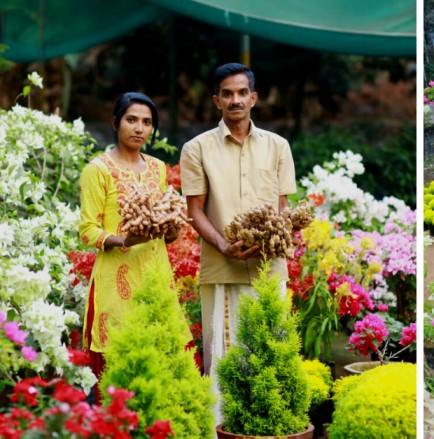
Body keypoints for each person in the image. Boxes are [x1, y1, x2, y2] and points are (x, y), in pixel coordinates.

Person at [179, 63, 296, 421]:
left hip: (268, 268)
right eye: (227, 94)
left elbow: (282, 207)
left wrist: (267, 241)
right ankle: (222, 428)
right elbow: (195, 211)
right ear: (216, 101)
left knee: (268, 352)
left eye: (242, 92)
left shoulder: (278, 147)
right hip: (222, 267)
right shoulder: (196, 148)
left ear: (254, 98)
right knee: (224, 358)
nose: (235, 100)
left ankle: (267, 423)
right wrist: (223, 245)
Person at [79, 92, 181, 399]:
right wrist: (124, 239)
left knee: (160, 363)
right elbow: (87, 230)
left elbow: (160, 219)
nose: (139, 128)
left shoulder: (158, 168)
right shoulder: (98, 170)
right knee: (118, 367)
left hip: (155, 276)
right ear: (115, 123)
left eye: (147, 122)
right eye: (131, 120)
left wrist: (172, 230)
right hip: (115, 280)